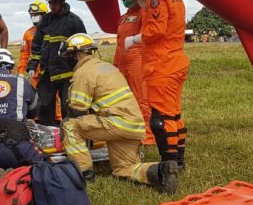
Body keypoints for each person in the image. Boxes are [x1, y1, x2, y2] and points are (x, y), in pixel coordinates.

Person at [61, 34, 178, 192]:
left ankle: (84, 173)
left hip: (116, 123)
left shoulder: (83, 73)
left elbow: (77, 110)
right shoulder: (108, 68)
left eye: (69, 55)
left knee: (69, 125)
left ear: (78, 54)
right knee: (123, 168)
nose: (67, 60)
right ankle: (160, 171)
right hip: (133, 125)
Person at [125, 0, 190, 171]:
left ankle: (168, 165)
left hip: (161, 64)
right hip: (175, 61)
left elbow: (155, 31)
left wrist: (134, 39)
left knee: (161, 119)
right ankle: (179, 161)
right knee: (175, 114)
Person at [26, 0, 86, 126]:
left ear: (62, 1)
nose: (52, 6)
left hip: (68, 73)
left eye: (54, 2)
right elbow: (37, 45)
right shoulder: (45, 21)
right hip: (48, 73)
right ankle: (48, 133)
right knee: (44, 105)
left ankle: (70, 133)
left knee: (68, 106)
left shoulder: (74, 21)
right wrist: (33, 65)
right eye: (50, 2)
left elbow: (83, 46)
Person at [113, 0, 155, 145]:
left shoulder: (144, 14)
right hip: (122, 60)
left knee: (142, 99)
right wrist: (115, 65)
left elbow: (149, 31)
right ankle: (130, 130)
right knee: (124, 99)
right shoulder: (123, 18)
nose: (125, 0)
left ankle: (148, 136)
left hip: (138, 60)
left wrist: (144, 5)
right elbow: (119, 43)